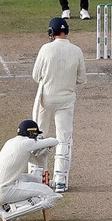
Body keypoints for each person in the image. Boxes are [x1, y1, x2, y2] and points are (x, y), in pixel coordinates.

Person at [32, 16, 87, 192]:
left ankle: (38, 178)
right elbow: (81, 79)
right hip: (66, 101)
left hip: (46, 98)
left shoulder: (45, 49)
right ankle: (61, 180)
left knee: (39, 137)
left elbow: (35, 75)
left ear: (51, 33)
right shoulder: (77, 50)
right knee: (64, 139)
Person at [0, 120, 63, 221]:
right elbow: (54, 141)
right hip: (5, 189)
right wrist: (43, 143)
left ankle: (8, 208)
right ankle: (8, 213)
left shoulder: (11, 142)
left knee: (37, 181)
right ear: (31, 133)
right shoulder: (26, 143)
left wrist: (46, 180)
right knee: (48, 194)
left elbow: (33, 160)